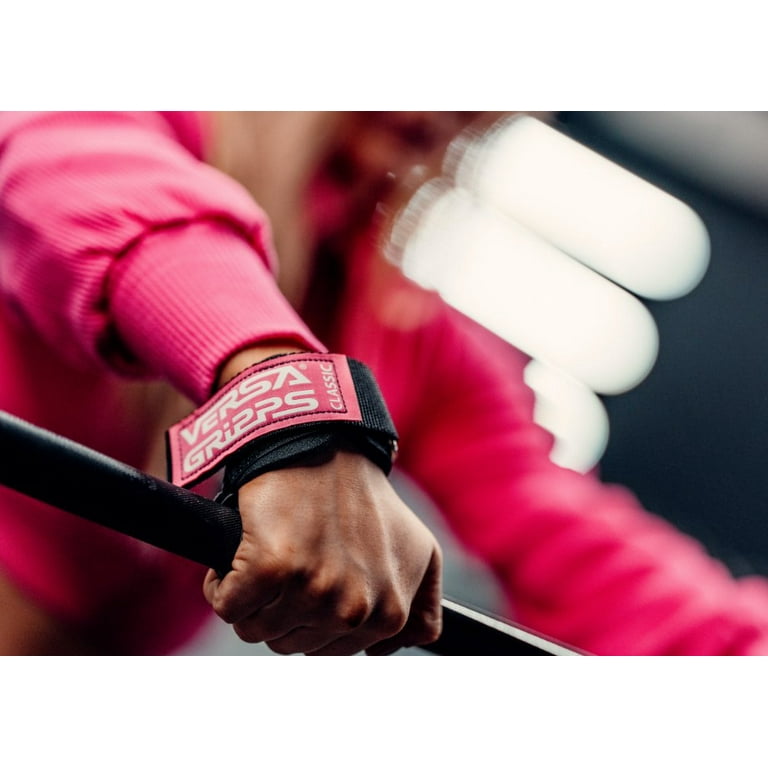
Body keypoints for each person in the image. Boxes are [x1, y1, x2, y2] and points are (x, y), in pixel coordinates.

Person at [1, 111, 768, 656]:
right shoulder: (142, 120)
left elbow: (575, 547)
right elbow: (74, 173)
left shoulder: (405, 330)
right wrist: (289, 412)